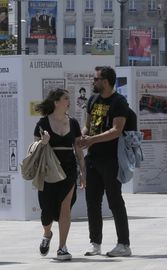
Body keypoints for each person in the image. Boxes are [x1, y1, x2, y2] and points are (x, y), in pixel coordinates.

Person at [80, 66, 132, 257]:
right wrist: (82, 137)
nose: (93, 82)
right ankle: (95, 243)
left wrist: (91, 140)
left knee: (115, 201)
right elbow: (88, 126)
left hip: (111, 159)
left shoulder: (119, 102)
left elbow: (116, 130)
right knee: (92, 202)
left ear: (106, 81)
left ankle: (124, 244)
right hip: (93, 158)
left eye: (96, 79)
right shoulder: (93, 99)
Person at [34, 89, 86, 261]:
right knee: (47, 211)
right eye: (65, 98)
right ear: (56, 102)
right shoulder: (42, 123)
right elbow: (35, 151)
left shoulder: (74, 123)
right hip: (48, 170)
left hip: (69, 169)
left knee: (65, 206)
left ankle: (62, 247)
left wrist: (83, 172)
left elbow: (78, 149)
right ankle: (47, 234)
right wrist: (44, 142)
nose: (68, 101)